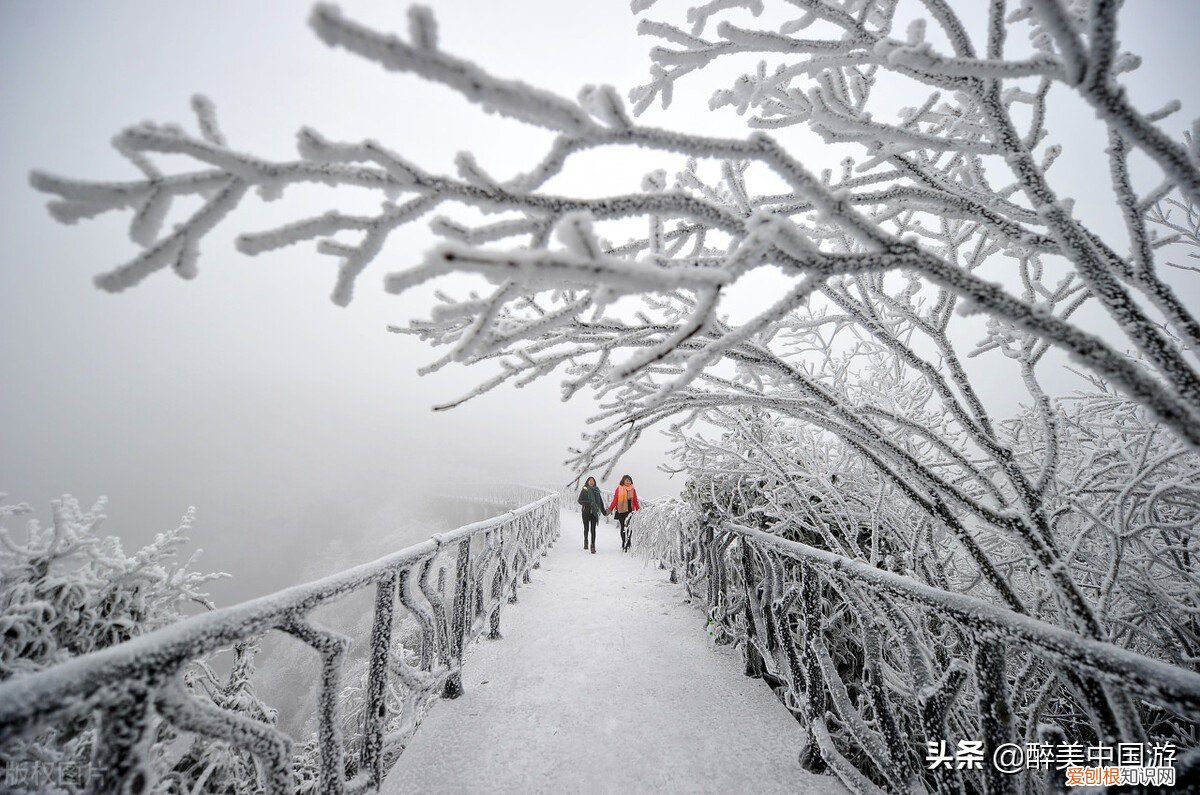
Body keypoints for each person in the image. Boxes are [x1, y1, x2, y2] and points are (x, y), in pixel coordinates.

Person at [607, 474, 640, 552]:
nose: (628, 482)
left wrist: (639, 510)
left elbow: (635, 501)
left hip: (630, 511)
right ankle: (623, 543)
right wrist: (610, 509)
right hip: (621, 511)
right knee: (623, 527)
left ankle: (628, 543)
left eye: (629, 480)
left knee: (629, 527)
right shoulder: (619, 489)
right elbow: (615, 500)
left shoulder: (633, 489)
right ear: (623, 481)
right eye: (627, 480)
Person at [576, 476, 607, 554]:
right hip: (585, 512)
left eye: (593, 480)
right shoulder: (584, 490)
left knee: (593, 529)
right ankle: (586, 541)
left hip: (594, 513)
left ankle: (593, 545)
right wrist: (589, 503)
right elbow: (579, 501)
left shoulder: (597, 491)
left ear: (594, 482)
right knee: (586, 529)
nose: (591, 482)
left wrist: (604, 512)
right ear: (587, 482)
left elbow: (600, 503)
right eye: (590, 480)